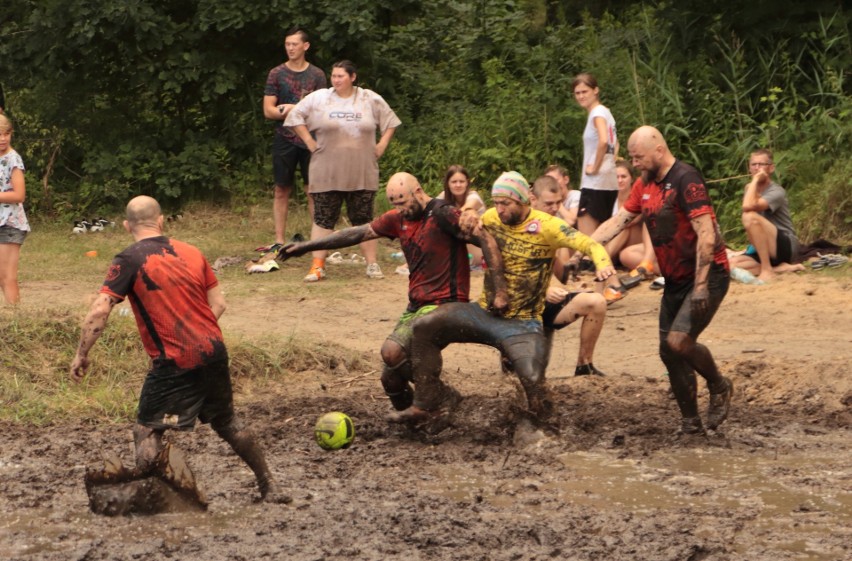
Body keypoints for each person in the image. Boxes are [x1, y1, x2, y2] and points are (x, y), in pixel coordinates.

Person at [70, 196, 285, 503]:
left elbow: (99, 311)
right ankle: (270, 486)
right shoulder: (193, 252)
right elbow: (219, 304)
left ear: (126, 225)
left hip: (174, 359)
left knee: (146, 430)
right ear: (161, 221)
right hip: (214, 350)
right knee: (228, 422)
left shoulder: (129, 258)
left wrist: (81, 353)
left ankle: (160, 496)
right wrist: (196, 332)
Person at [276, 172, 507, 412]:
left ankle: (441, 396)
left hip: (445, 303)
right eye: (395, 204)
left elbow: (487, 240)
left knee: (392, 351)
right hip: (416, 305)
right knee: (391, 378)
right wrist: (307, 246)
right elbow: (357, 233)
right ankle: (419, 426)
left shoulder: (442, 213)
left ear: (417, 192)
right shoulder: (398, 219)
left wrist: (500, 290)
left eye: (404, 202)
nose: (401, 209)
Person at [397, 171, 615, 424]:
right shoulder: (490, 217)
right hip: (484, 313)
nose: (499, 209)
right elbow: (468, 212)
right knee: (424, 326)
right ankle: (429, 402)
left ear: (523, 200)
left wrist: (603, 264)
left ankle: (540, 428)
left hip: (522, 322)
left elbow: (591, 245)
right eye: (496, 202)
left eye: (505, 203)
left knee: (532, 378)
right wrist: (468, 211)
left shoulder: (548, 226)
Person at [590, 126, 734, 435]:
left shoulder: (686, 179)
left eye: (639, 157)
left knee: (679, 341)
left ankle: (719, 385)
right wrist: (584, 246)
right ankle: (691, 424)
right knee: (668, 352)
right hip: (674, 278)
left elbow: (706, 234)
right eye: (632, 157)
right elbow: (620, 221)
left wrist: (700, 288)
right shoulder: (644, 184)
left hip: (707, 275)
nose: (635, 163)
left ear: (658, 150)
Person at [285, 60, 401, 282]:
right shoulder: (320, 98)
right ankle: (317, 265)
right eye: (334, 76)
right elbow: (294, 117)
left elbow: (391, 121)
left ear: (353, 77)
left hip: (362, 170)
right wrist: (309, 140)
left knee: (364, 220)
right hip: (327, 170)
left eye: (341, 76)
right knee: (323, 219)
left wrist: (382, 144)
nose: (336, 80)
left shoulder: (369, 98)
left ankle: (372, 265)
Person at [529, 175, 609, 376]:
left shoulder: (554, 226)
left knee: (596, 302)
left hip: (545, 301)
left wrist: (576, 280)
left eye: (558, 203)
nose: (555, 208)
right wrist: (543, 290)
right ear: (533, 199)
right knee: (529, 375)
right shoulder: (521, 226)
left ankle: (584, 366)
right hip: (521, 305)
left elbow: (561, 272)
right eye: (548, 204)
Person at [261, 27, 327, 252]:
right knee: (281, 189)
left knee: (313, 190)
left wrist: (292, 108)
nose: (290, 48)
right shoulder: (276, 73)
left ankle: (317, 240)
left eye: (294, 44)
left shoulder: (317, 75)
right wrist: (293, 111)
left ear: (305, 46)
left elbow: (321, 110)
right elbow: (268, 111)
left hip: (311, 138)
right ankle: (279, 240)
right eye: (287, 44)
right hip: (284, 138)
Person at [728, 149, 803, 281]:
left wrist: (755, 179)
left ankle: (767, 269)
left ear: (771, 168)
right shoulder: (749, 188)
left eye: (761, 164)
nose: (757, 168)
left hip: (784, 245)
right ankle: (780, 268)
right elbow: (749, 201)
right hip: (763, 248)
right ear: (749, 168)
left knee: (749, 216)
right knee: (729, 265)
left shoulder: (777, 191)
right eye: (753, 164)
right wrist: (753, 184)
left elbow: (747, 207)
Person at [573, 73, 619, 237]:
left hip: (594, 184)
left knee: (587, 240)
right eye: (577, 93)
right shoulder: (607, 113)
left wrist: (595, 168)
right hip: (609, 183)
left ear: (595, 90)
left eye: (585, 91)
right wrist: (609, 164)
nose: (581, 96)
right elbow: (616, 143)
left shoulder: (597, 113)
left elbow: (604, 141)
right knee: (602, 239)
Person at [604, 160, 657, 277]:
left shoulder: (637, 196)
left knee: (624, 227)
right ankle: (603, 258)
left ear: (631, 179)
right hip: (618, 242)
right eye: (616, 177)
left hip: (638, 239)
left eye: (623, 177)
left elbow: (631, 220)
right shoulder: (610, 199)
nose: (619, 180)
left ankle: (603, 260)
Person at [0, 114, 29, 305]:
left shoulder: (13, 159)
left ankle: (15, 323)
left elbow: (19, 195)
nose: (3, 138)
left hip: (10, 223)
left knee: (6, 277)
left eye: (6, 133)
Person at [436, 164, 486, 269]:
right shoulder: (443, 197)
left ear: (467, 182)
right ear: (448, 184)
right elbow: (430, 211)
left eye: (461, 182)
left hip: (476, 244)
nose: (458, 185)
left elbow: (467, 208)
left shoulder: (473, 196)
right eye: (454, 182)